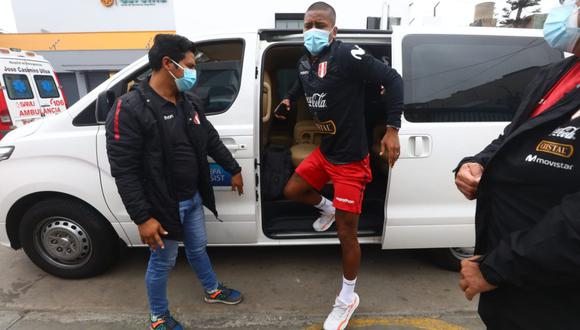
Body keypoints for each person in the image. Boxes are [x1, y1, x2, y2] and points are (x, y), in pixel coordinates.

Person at [275, 2, 404, 329]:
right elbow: (302, 83)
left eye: (318, 24)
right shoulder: (305, 60)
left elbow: (392, 78)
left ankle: (347, 298)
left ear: (334, 30)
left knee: (347, 233)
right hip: (326, 152)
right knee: (293, 189)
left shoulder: (346, 55)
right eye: (307, 25)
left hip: (350, 160)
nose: (311, 30)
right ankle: (327, 208)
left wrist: (392, 129)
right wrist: (288, 99)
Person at [106, 34, 244, 330]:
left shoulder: (189, 101)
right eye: (190, 65)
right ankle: (158, 317)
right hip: (163, 205)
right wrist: (143, 217)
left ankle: (212, 290)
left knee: (198, 248)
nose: (194, 72)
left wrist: (233, 168)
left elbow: (208, 138)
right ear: (168, 64)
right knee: (163, 263)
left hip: (192, 197)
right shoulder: (129, 108)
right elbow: (124, 170)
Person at [455, 1, 580, 329]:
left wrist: (496, 268)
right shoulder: (557, 73)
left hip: (556, 297)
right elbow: (513, 137)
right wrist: (477, 163)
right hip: (514, 288)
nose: (569, 12)